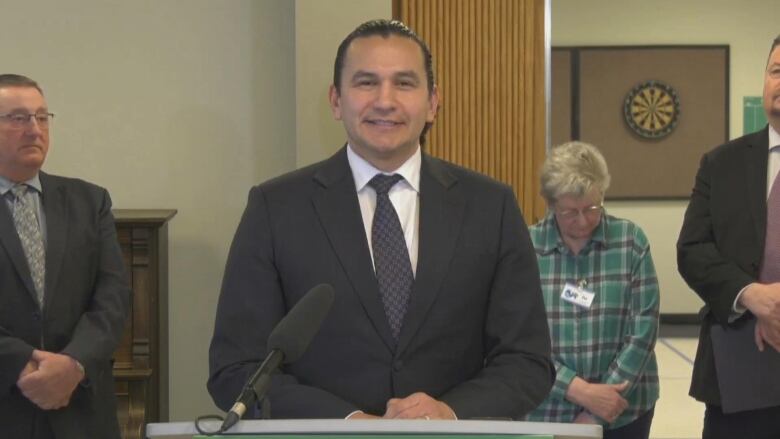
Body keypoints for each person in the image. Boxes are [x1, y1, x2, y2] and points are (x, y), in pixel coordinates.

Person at [207, 19, 553, 420]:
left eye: (404, 83)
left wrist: (449, 413)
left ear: (433, 102)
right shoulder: (275, 207)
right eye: (366, 83)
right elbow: (235, 368)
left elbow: (527, 360)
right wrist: (348, 422)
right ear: (336, 100)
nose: (385, 100)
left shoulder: (491, 206)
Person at [0, 74, 130, 438]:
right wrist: (22, 364)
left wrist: (73, 364)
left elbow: (113, 296)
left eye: (42, 117)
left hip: (81, 410)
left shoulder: (90, 201)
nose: (34, 129)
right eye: (18, 118)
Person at [677, 34, 780, 438]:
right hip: (738, 374)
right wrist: (752, 296)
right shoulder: (722, 164)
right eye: (776, 71)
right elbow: (692, 250)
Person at [523, 141, 659, 439]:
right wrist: (576, 389)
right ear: (550, 203)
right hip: (548, 410)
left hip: (624, 409)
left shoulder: (630, 242)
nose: (583, 221)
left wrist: (599, 406)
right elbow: (519, 339)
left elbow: (643, 330)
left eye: (592, 208)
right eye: (570, 212)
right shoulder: (526, 249)